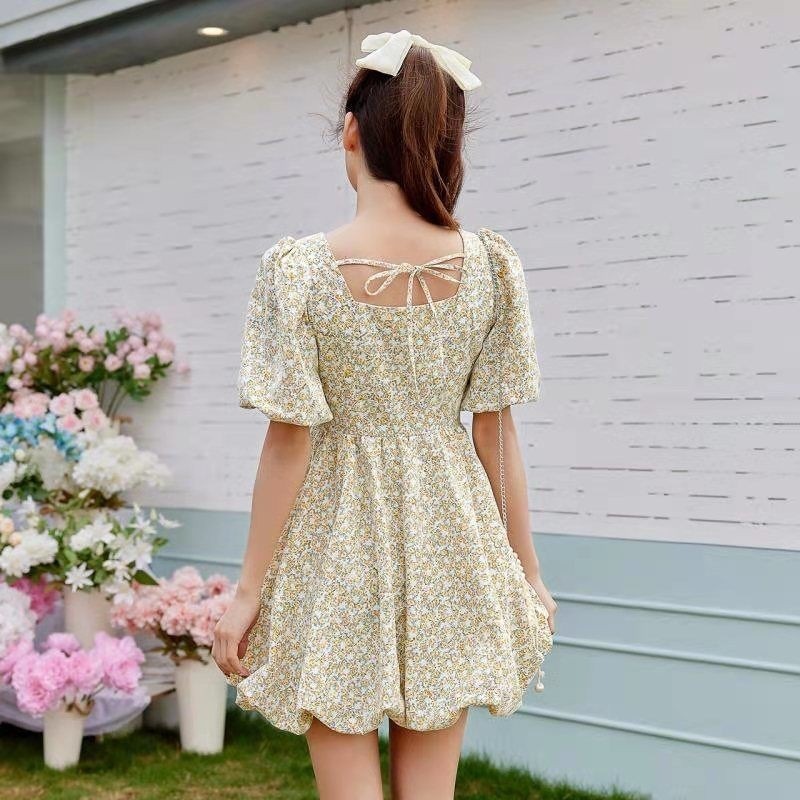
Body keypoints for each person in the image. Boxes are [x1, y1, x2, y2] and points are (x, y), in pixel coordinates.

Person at [212, 29, 557, 800]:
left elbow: (289, 442)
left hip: (335, 543)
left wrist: (248, 591)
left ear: (351, 131)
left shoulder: (299, 271)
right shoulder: (492, 267)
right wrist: (527, 570)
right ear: (447, 143)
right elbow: (496, 434)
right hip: (451, 539)